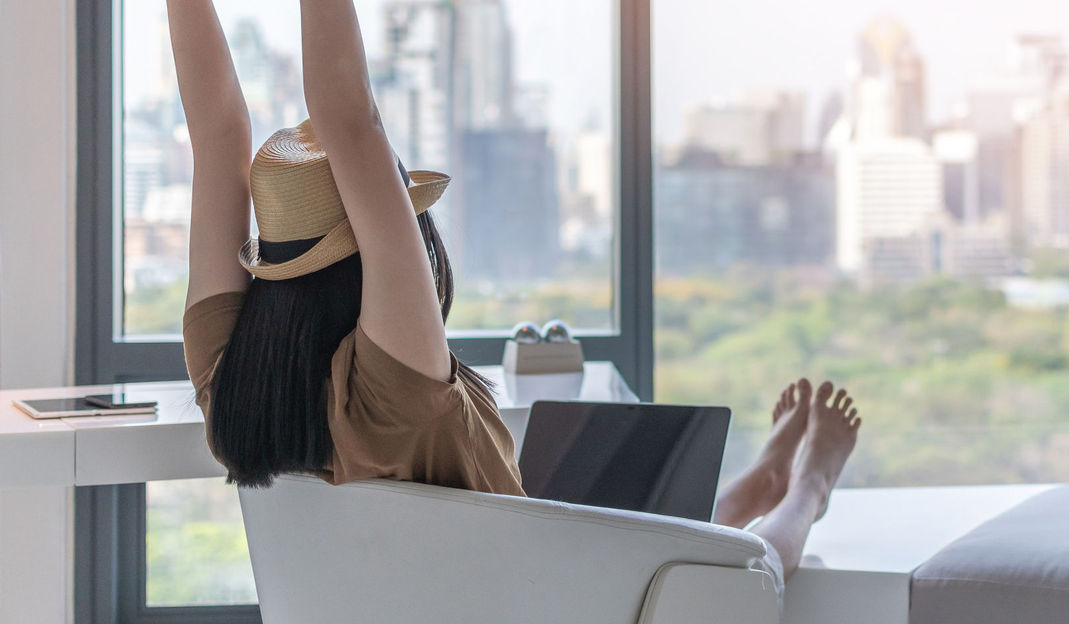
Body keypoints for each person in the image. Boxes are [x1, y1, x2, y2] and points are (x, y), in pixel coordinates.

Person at [171, 0, 859, 593]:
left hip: (465, 609)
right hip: (537, 617)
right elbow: (348, 118)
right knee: (756, 568)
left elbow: (216, 132)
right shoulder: (389, 391)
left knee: (634, 525)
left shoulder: (228, 379)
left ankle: (753, 487)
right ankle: (806, 490)